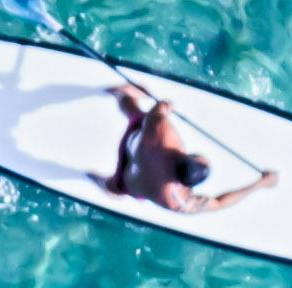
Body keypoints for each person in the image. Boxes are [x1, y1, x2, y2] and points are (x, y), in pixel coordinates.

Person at [106, 82, 261, 214]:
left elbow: (157, 111)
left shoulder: (164, 139)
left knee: (136, 113)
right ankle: (106, 185)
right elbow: (219, 203)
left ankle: (121, 94)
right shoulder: (178, 201)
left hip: (134, 143)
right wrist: (260, 184)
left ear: (185, 156)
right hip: (127, 180)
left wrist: (165, 107)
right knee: (115, 187)